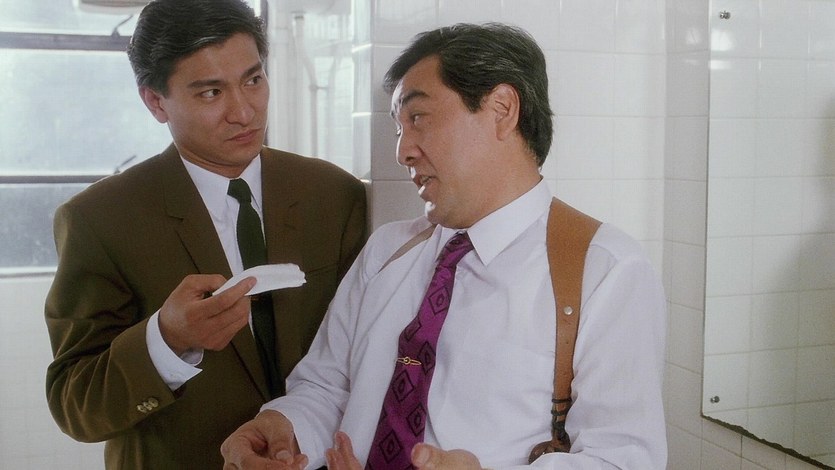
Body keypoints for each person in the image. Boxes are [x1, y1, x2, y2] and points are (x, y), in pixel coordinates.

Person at [221, 22, 667, 469]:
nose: (402, 152)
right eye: (399, 128)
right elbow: (329, 386)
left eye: (417, 118)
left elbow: (621, 459)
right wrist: (282, 426)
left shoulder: (604, 270)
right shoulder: (387, 250)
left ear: (502, 109)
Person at [44, 0, 367, 468]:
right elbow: (75, 405)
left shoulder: (334, 195)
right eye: (211, 93)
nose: (244, 112)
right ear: (155, 101)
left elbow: (363, 355)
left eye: (253, 80)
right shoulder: (99, 219)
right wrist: (166, 340)